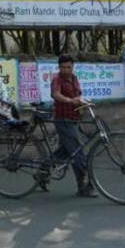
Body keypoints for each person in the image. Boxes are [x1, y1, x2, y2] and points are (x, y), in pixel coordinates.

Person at [51, 55, 97, 197]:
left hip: (73, 119)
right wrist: (70, 101)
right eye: (63, 67)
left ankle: (42, 171)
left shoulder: (74, 79)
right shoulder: (57, 79)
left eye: (68, 67)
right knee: (78, 152)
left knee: (65, 150)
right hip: (63, 120)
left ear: (72, 67)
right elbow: (55, 94)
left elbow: (78, 95)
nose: (66, 70)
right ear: (59, 67)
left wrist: (83, 102)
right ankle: (82, 187)